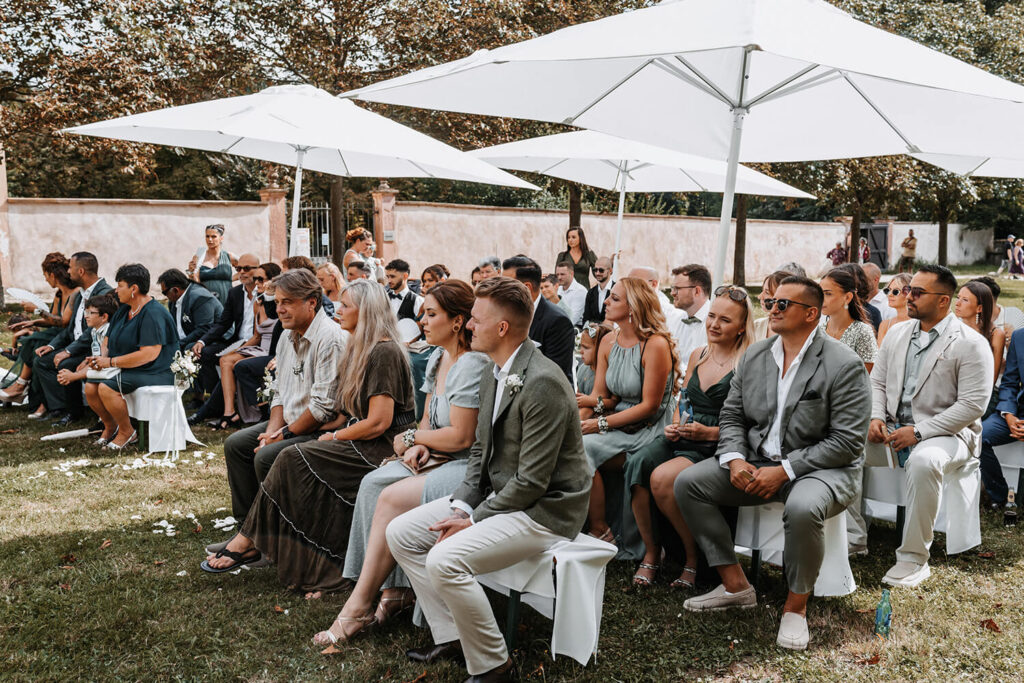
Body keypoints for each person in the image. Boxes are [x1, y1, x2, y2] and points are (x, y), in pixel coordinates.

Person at [386, 276, 591, 682]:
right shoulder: (491, 370)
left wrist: (473, 519)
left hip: (546, 510)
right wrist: (463, 503)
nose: (468, 325)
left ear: (501, 329)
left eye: (476, 319)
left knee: (445, 558)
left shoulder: (544, 382)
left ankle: (495, 665)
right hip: (503, 497)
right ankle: (452, 635)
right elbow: (480, 451)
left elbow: (533, 481)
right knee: (401, 532)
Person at [675, 276, 870, 651]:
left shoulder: (844, 364)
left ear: (811, 314)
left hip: (822, 469)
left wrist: (785, 469)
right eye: (771, 303)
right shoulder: (756, 353)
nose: (773, 309)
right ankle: (735, 586)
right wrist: (733, 460)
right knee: (688, 483)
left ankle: (795, 609)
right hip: (755, 460)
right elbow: (732, 415)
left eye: (783, 304)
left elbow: (847, 442)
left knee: (802, 506)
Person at [204, 279, 415, 594]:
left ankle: (254, 539)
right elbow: (339, 409)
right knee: (283, 452)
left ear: (366, 311)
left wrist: (333, 438)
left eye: (345, 306)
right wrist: (316, 430)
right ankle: (256, 537)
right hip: (360, 437)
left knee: (291, 456)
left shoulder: (383, 350)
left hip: (380, 447)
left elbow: (378, 423)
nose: (337, 310)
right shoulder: (361, 346)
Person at [314, 280, 489, 646]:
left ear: (458, 322)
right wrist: (418, 445)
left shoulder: (472, 364)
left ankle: (363, 603)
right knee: (373, 483)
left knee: (388, 492)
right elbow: (427, 418)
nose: (421, 321)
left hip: (467, 464)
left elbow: (462, 437)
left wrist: (412, 439)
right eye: (423, 313)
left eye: (431, 314)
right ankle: (390, 590)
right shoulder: (439, 357)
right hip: (436, 455)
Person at [869, 265, 992, 588]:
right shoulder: (896, 333)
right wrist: (876, 417)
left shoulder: (970, 343)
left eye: (918, 292)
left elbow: (972, 406)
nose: (909, 296)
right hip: (892, 426)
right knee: (842, 444)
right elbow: (877, 382)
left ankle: (913, 558)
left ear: (943, 301)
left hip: (950, 434)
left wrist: (920, 432)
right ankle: (853, 538)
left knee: (925, 460)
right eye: (910, 290)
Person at [632, 286, 754, 589]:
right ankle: (652, 551)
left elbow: (750, 423)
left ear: (741, 327)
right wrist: (674, 424)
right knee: (637, 463)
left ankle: (692, 558)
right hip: (685, 433)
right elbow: (683, 399)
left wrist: (709, 432)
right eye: (712, 316)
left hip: (717, 442)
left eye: (725, 320)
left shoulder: (748, 362)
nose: (713, 324)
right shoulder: (699, 353)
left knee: (662, 477)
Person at [212, 269, 347, 530]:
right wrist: (273, 428)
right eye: (277, 302)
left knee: (266, 456)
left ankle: (278, 532)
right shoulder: (286, 334)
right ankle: (249, 527)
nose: (279, 309)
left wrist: (281, 436)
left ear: (311, 302)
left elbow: (323, 409)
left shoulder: (330, 339)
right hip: (290, 422)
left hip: (320, 428)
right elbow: (279, 389)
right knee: (236, 444)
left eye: (287, 302)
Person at [581, 277, 677, 565]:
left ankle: (601, 531)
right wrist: (577, 424)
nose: (606, 302)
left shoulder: (656, 345)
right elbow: (599, 394)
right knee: (570, 445)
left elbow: (649, 406)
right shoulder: (608, 340)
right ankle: (589, 527)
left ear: (633, 307)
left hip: (648, 428)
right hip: (616, 420)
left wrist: (599, 425)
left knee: (583, 450)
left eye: (614, 298)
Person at [83, 264, 179, 450]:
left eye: (120, 285)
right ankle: (111, 427)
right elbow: (108, 340)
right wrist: (100, 359)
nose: (116, 290)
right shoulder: (123, 310)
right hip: (129, 367)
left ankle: (128, 432)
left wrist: (110, 362)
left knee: (106, 388)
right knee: (90, 387)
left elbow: (149, 354)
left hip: (157, 370)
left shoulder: (153, 313)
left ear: (133, 289)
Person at [32, 252, 113, 425]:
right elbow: (70, 330)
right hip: (76, 345)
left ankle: (74, 412)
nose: (67, 272)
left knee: (65, 363)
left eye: (71, 268)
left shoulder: (105, 293)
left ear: (81, 271)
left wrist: (68, 352)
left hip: (95, 349)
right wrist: (53, 347)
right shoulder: (79, 295)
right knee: (42, 360)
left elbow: (90, 332)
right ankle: (57, 406)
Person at [0, 253, 78, 408]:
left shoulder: (75, 293)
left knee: (32, 341)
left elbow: (63, 322)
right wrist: (33, 321)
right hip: (56, 334)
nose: (45, 279)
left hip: (68, 337)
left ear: (53, 275)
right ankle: (26, 390)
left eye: (45, 275)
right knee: (30, 342)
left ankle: (21, 386)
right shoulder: (59, 294)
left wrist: (37, 311)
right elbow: (52, 320)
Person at [214, 264, 281, 429]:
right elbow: (256, 336)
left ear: (273, 281)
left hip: (274, 349)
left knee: (239, 365)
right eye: (255, 278)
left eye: (260, 279)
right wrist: (237, 350)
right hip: (259, 347)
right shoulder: (258, 303)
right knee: (225, 360)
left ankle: (259, 410)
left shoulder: (281, 304)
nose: (256, 282)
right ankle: (229, 412)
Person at [189, 253, 260, 402]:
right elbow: (223, 323)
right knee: (205, 353)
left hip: (257, 344)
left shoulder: (263, 293)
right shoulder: (235, 293)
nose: (241, 272)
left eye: (246, 268)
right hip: (237, 341)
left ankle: (220, 404)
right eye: (239, 268)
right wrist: (202, 341)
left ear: (258, 269)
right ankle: (217, 399)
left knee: (229, 360)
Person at [501, 256, 574, 383]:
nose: (500, 291)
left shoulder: (557, 321)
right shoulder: (503, 314)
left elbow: (554, 375)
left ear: (526, 288)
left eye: (506, 285)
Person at [56, 293, 117, 443]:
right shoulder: (96, 330)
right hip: (104, 369)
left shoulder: (109, 331)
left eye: (91, 313)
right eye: (86, 312)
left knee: (91, 384)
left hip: (115, 369)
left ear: (104, 317)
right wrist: (85, 360)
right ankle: (108, 424)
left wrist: (73, 376)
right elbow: (96, 356)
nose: (86, 316)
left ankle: (111, 424)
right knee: (90, 387)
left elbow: (102, 361)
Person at [980, 327, 1024, 510]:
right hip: (1017, 413)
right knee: (978, 437)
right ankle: (1002, 498)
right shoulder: (1019, 336)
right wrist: (1009, 415)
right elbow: (1009, 382)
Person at [820, 267, 877, 371]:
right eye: (820, 293)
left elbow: (865, 376)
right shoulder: (818, 330)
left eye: (828, 294)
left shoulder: (863, 332)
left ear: (847, 297)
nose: (821, 299)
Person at [157, 268, 223, 354]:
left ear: (175, 290)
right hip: (191, 338)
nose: (165, 296)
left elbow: (204, 329)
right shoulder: (173, 302)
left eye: (165, 293)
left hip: (217, 339)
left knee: (188, 349)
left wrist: (179, 344)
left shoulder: (199, 297)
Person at [956, 281, 1005, 388]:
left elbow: (991, 379)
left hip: (980, 393)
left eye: (965, 300)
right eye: (958, 297)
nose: (957, 303)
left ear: (979, 308)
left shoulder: (996, 334)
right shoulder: (953, 328)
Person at [667, 264, 712, 374]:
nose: (672, 293)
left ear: (697, 291)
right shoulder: (674, 319)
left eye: (677, 289)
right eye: (672, 288)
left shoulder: (715, 322)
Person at [187, 224, 236, 304]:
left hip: (227, 300)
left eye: (213, 236)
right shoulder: (199, 257)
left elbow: (245, 270)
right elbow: (195, 280)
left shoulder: (228, 256)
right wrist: (191, 271)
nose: (210, 240)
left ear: (221, 238)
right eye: (207, 236)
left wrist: (230, 279)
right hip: (206, 299)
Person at [576, 322, 613, 400]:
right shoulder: (583, 369)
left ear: (601, 349)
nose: (581, 351)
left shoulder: (609, 375)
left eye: (586, 348)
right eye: (581, 346)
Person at [753, 271, 792, 342]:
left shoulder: (795, 332)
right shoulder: (755, 326)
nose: (759, 297)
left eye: (767, 292)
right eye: (762, 291)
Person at [877, 273, 912, 346]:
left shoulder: (919, 324)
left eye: (896, 291)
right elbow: (880, 355)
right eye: (888, 290)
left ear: (909, 293)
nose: (889, 294)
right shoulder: (884, 325)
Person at [554, 260, 587, 326]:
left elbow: (572, 320)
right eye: (557, 274)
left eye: (562, 274)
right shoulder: (558, 289)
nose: (559, 277)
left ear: (572, 274)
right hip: (558, 325)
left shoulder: (580, 291)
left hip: (575, 328)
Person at [583, 256, 614, 325]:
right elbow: (586, 319)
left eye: (601, 270)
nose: (597, 273)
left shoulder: (616, 290)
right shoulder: (591, 292)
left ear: (610, 271)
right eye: (595, 270)